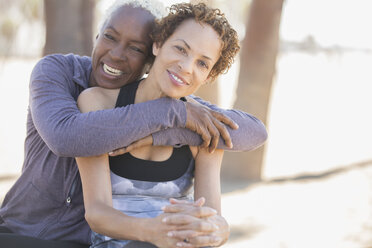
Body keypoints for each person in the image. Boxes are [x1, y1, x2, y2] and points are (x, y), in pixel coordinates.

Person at [0, 0, 267, 247]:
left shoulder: (196, 118)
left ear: (149, 56)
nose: (116, 55)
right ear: (159, 46)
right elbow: (65, 137)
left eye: (135, 47)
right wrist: (174, 113)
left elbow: (254, 132)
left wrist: (218, 229)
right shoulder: (63, 76)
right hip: (25, 232)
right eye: (110, 36)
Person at [76, 2, 244, 248]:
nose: (186, 67)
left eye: (202, 63)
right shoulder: (97, 103)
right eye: (180, 49)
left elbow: (210, 217)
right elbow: (97, 214)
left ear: (209, 76)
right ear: (157, 45)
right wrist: (154, 232)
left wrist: (218, 229)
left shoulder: (204, 127)